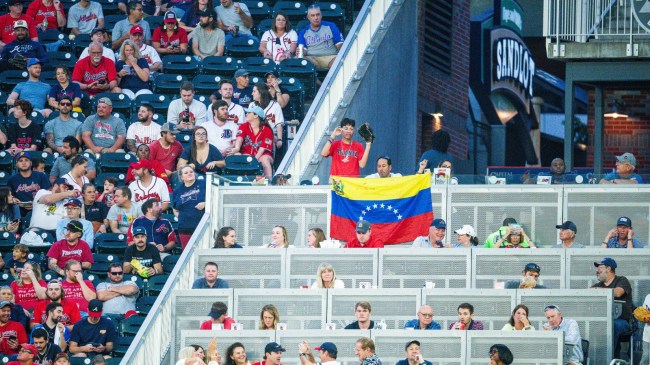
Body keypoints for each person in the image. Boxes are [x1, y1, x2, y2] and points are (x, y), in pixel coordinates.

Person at [591, 257, 634, 349]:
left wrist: (596, 290)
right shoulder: (597, 286)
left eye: (600, 268)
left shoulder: (622, 280)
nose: (597, 271)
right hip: (602, 321)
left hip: (622, 321)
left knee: (612, 325)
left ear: (609, 269)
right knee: (592, 326)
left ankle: (609, 357)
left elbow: (618, 293)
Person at [232, 105, 275, 180]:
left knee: (264, 159)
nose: (246, 114)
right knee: (239, 155)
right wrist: (237, 148)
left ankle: (270, 182)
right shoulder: (243, 126)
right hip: (246, 154)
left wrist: (254, 160)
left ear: (256, 115)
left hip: (262, 155)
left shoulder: (267, 130)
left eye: (249, 113)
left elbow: (263, 149)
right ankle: (240, 181)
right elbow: (240, 138)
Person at [298, 5, 344, 70]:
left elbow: (340, 45)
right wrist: (300, 52)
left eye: (317, 15)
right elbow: (303, 51)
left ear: (321, 15)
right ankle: (317, 80)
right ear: (308, 17)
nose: (316, 17)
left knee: (338, 61)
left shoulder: (330, 26)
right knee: (301, 59)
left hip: (331, 58)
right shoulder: (304, 31)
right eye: (312, 15)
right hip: (313, 59)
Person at [173, 165, 207, 248]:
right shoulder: (177, 190)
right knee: (186, 253)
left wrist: (206, 204)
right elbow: (175, 208)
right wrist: (182, 217)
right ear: (181, 177)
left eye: (191, 172)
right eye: (186, 173)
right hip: (184, 228)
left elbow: (215, 197)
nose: (189, 174)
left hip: (202, 226)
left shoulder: (203, 184)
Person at [249, 82, 284, 151]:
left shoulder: (275, 105)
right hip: (254, 134)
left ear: (261, 92)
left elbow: (279, 124)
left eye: (254, 91)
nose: (252, 93)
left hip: (270, 135)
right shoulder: (252, 105)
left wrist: (280, 139)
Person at [640, 294, 650, 365]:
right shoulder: (648, 297)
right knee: (645, 356)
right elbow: (643, 313)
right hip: (647, 333)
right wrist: (644, 318)